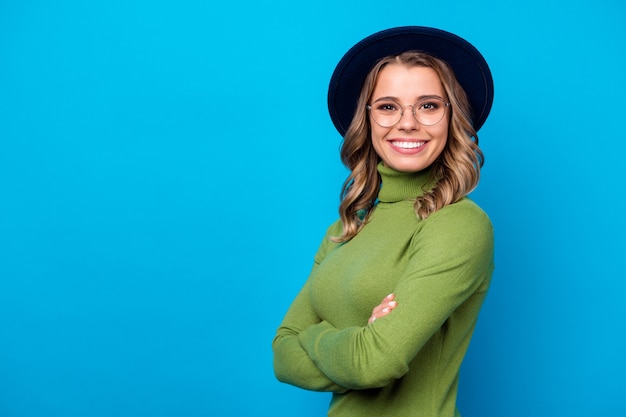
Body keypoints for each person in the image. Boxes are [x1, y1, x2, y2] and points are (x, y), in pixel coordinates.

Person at [272, 26, 495, 417]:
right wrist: (357, 339)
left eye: (428, 105)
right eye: (389, 106)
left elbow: (375, 364)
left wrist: (317, 338)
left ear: (452, 117)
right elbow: (282, 355)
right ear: (368, 119)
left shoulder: (458, 225)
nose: (407, 123)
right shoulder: (347, 226)